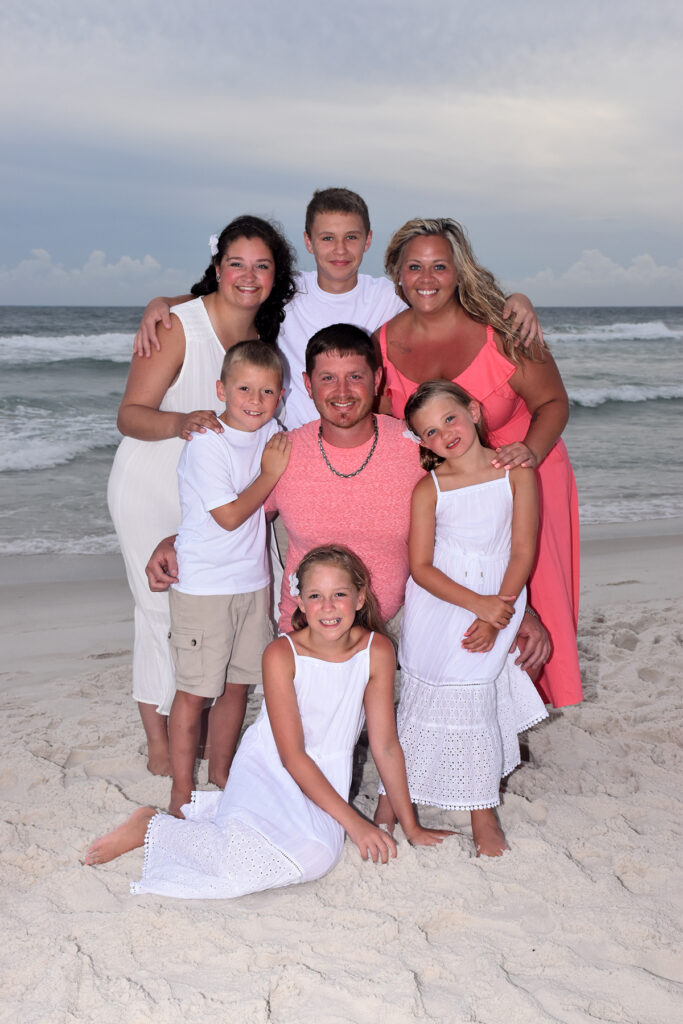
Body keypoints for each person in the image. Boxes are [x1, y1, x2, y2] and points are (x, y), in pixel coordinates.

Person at [146, 324, 551, 672]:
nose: (342, 391)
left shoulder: (416, 448)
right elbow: (236, 515)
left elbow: (478, 526)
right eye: (327, 379)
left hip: (402, 622)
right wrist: (173, 542)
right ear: (307, 385)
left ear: (377, 380)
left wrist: (517, 610)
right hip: (311, 629)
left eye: (355, 377)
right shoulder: (281, 452)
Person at [85, 546, 452, 897]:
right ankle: (151, 826)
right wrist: (356, 824)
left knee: (316, 856)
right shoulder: (282, 653)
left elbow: (386, 745)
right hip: (272, 766)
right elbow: (291, 755)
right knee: (249, 860)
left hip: (327, 773)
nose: (327, 607)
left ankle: (184, 825)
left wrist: (412, 825)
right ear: (301, 603)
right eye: (315, 596)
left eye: (339, 594)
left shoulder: (377, 650)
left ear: (359, 599)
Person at [108, 215, 296, 775]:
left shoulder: (263, 339)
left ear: (274, 275)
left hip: (223, 492)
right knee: (160, 609)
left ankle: (205, 742)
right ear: (217, 268)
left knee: (213, 615)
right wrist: (184, 421)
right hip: (153, 480)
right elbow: (129, 415)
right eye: (236, 263)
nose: (248, 275)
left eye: (262, 265)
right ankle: (162, 745)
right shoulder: (177, 325)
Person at [375, 218, 581, 709]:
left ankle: (520, 710)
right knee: (462, 595)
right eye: (415, 267)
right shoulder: (380, 344)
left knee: (538, 594)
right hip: (449, 494)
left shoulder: (506, 332)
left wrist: (529, 450)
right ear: (397, 275)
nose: (427, 278)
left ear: (459, 271)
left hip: (525, 472)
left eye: (440, 266)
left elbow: (554, 403)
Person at [132, 188, 541, 428]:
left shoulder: (388, 296)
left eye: (351, 238)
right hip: (297, 447)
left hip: (369, 443)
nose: (339, 250)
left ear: (368, 241)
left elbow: (443, 294)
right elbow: (231, 294)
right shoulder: (288, 293)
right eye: (327, 239)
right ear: (309, 242)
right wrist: (165, 303)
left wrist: (512, 302)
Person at [375, 381, 548, 855]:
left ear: (473, 410)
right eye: (429, 431)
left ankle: (482, 815)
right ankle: (387, 809)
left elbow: (523, 550)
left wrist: (497, 613)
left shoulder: (515, 473)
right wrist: (477, 606)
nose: (444, 434)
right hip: (441, 607)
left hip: (501, 598)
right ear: (422, 443)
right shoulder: (429, 489)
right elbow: (422, 567)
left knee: (474, 702)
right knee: (420, 704)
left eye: (450, 418)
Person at [167, 342, 291, 817]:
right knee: (197, 691)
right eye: (244, 389)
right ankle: (181, 790)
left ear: (279, 397)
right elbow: (230, 516)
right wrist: (269, 472)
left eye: (266, 391)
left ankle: (222, 773)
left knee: (239, 685)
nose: (255, 400)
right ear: (221, 390)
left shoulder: (273, 433)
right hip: (204, 586)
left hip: (253, 582)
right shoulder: (207, 443)